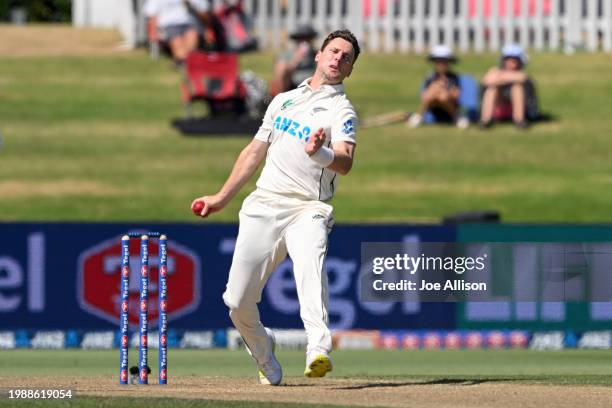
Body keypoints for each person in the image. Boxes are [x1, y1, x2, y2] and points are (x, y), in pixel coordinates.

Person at [191, 29, 360, 386]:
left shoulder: (341, 110)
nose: (337, 59)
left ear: (350, 69)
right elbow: (254, 151)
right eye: (333, 51)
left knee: (309, 267)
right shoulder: (282, 100)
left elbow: (344, 162)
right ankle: (263, 352)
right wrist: (221, 197)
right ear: (318, 55)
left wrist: (321, 152)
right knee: (236, 301)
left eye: (346, 57)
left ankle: (318, 348)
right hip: (265, 203)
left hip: (308, 206)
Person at [407, 45, 469, 129]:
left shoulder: (453, 77)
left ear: (449, 62)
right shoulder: (430, 77)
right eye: (438, 61)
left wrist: (444, 91)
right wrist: (436, 88)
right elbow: (424, 96)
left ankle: (456, 117)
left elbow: (456, 95)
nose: (441, 64)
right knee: (434, 90)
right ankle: (419, 116)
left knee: (442, 96)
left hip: (449, 106)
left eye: (444, 62)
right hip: (433, 106)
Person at [479, 43, 539, 129]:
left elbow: (521, 78)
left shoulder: (522, 75)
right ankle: (485, 121)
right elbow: (487, 81)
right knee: (492, 89)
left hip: (524, 110)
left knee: (517, 87)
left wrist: (500, 77)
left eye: (514, 60)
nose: (511, 63)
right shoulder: (495, 71)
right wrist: (504, 78)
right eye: (508, 59)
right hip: (499, 108)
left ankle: (519, 120)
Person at [143, 0, 212, 64]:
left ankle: (186, 62)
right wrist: (153, 34)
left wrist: (190, 6)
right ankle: (183, 61)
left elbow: (205, 14)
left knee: (191, 42)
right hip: (168, 25)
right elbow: (151, 15)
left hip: (190, 24)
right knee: (178, 46)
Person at [269, 24, 318, 96]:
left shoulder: (317, 54)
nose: (304, 42)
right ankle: (280, 99)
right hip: (290, 85)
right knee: (281, 66)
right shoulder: (287, 54)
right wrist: (296, 59)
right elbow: (280, 73)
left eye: (307, 38)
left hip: (311, 85)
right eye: (301, 39)